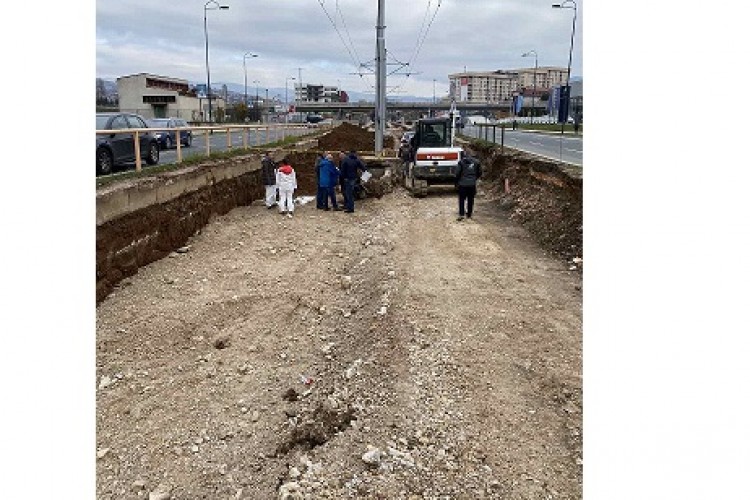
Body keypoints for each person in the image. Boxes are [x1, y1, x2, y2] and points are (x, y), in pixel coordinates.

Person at [455, 155, 482, 221]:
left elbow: (457, 173)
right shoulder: (476, 162)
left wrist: (458, 181)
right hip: (472, 184)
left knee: (461, 199)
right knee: (471, 199)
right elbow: (480, 172)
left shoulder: (461, 162)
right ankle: (469, 214)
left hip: (462, 184)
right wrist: (474, 178)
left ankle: (461, 214)